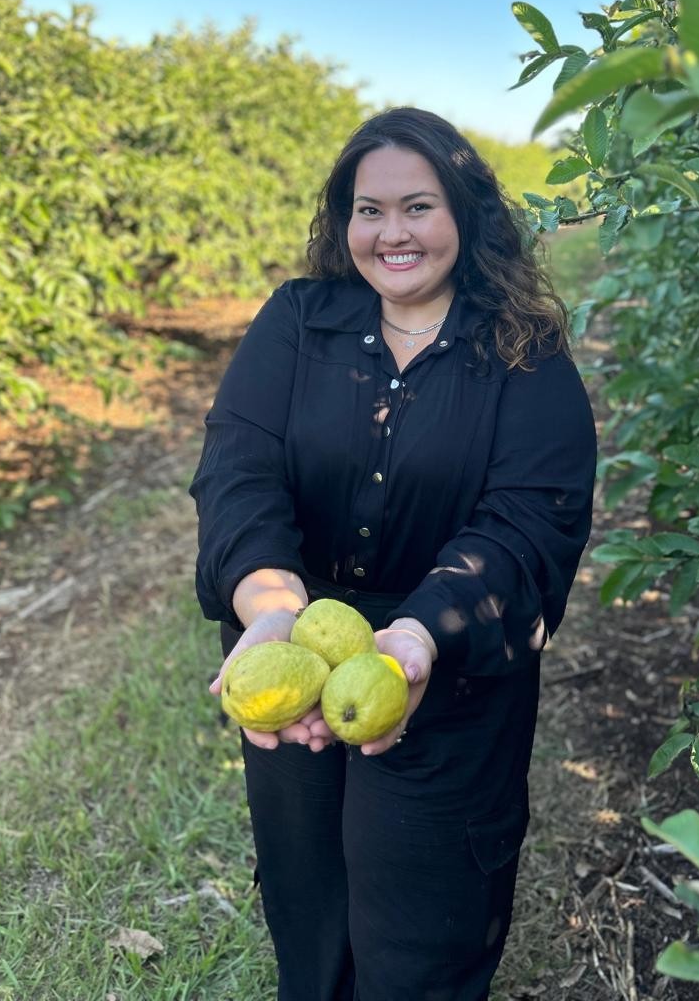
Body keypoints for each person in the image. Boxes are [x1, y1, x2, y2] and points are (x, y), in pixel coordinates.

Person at [188, 106, 597, 1001]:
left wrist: (419, 635)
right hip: (296, 645)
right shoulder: (300, 320)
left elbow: (529, 522)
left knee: (425, 919)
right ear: (343, 223)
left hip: (448, 660)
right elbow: (238, 468)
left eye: (418, 206)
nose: (391, 233)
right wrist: (269, 606)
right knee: (309, 897)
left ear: (465, 214)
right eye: (368, 210)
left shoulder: (522, 354)